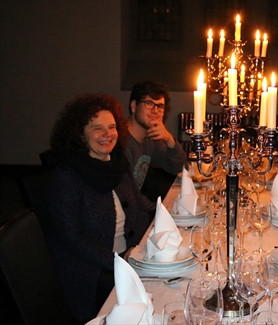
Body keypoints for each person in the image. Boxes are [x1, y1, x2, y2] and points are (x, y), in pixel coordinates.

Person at [46, 93, 151, 323]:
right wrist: (119, 261)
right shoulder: (66, 176)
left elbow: (140, 205)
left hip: (128, 257)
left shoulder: (117, 164)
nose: (107, 134)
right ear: (80, 134)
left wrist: (166, 219)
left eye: (112, 127)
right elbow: (71, 239)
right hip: (91, 272)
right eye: (97, 128)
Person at [126, 80, 186, 204]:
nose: (155, 110)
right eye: (148, 103)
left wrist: (170, 141)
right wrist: (160, 210)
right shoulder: (120, 142)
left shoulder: (150, 138)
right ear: (133, 106)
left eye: (160, 106)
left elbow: (178, 168)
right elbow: (127, 197)